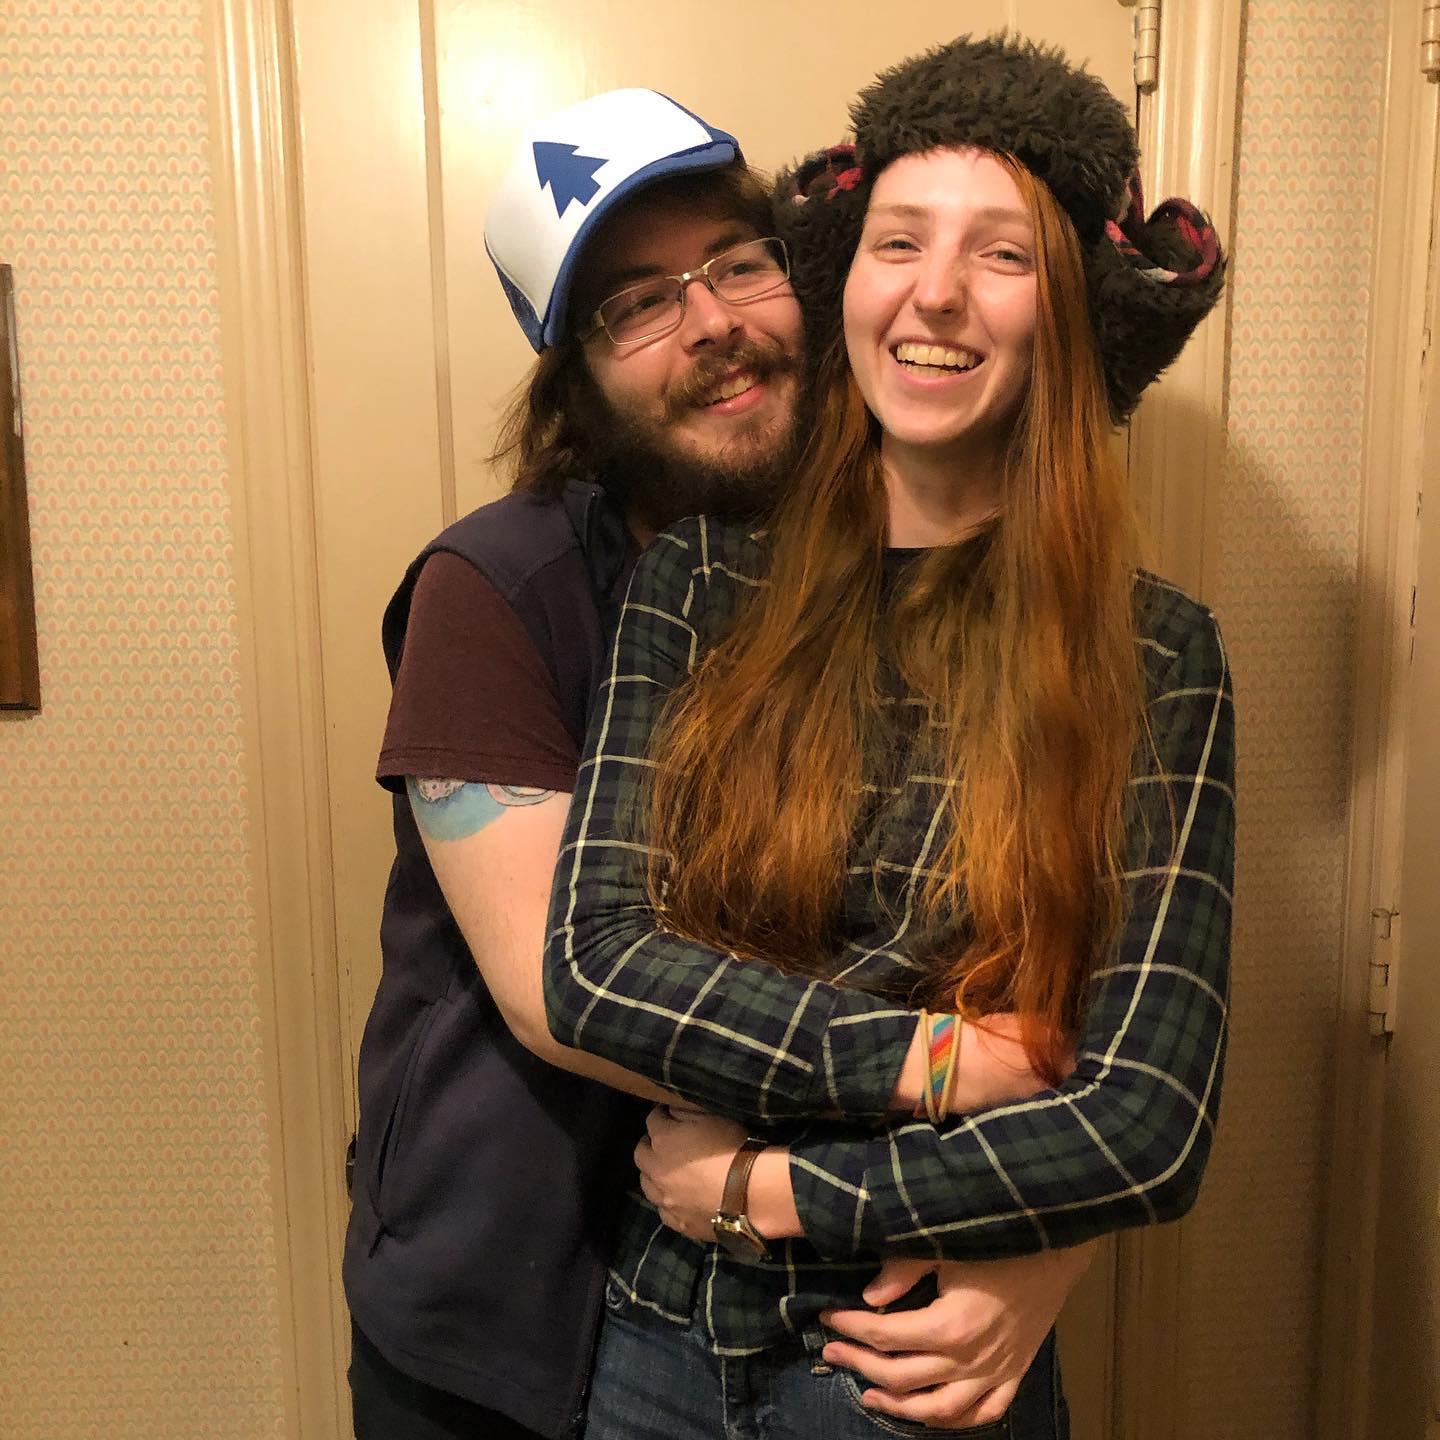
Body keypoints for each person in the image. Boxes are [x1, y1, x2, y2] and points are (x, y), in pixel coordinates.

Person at [343, 85, 1089, 1440]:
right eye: (636, 305)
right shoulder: (498, 590)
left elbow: (1029, 958)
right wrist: (947, 1076)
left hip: (820, 1306)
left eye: (739, 265)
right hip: (499, 1304)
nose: (711, 324)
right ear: (573, 379)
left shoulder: (903, 559)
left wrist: (1048, 1240)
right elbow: (563, 998)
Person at [544, 33, 1232, 1440]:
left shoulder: (1158, 653)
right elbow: (596, 967)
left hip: (915, 1374)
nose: (936, 292)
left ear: (1068, 313)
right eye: (899, 240)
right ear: (844, 284)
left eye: (1002, 255)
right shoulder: (700, 582)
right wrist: (939, 1063)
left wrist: (778, 1190)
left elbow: (1145, 1123)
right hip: (651, 1354)